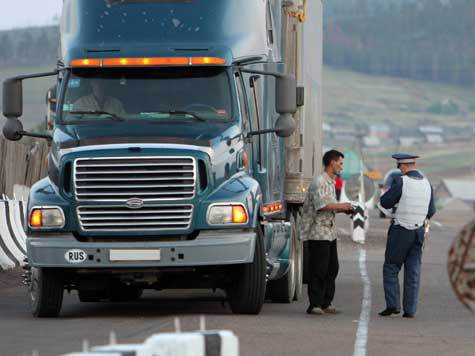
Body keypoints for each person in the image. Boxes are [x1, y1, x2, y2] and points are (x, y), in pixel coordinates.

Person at [378, 153, 436, 318]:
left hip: (401, 230)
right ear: (414, 165)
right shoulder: (427, 183)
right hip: (419, 232)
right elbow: (431, 211)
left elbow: (385, 202)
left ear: (402, 166)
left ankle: (393, 305)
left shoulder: (401, 181)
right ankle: (410, 310)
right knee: (413, 271)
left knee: (391, 267)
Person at [301, 149, 354, 315]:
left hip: (329, 233)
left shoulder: (331, 181)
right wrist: (342, 206)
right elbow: (321, 205)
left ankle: (326, 302)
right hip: (318, 232)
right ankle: (315, 304)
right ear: (332, 162)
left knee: (332, 268)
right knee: (319, 268)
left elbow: (329, 206)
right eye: (340, 163)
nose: (341, 167)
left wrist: (343, 210)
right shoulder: (320, 181)